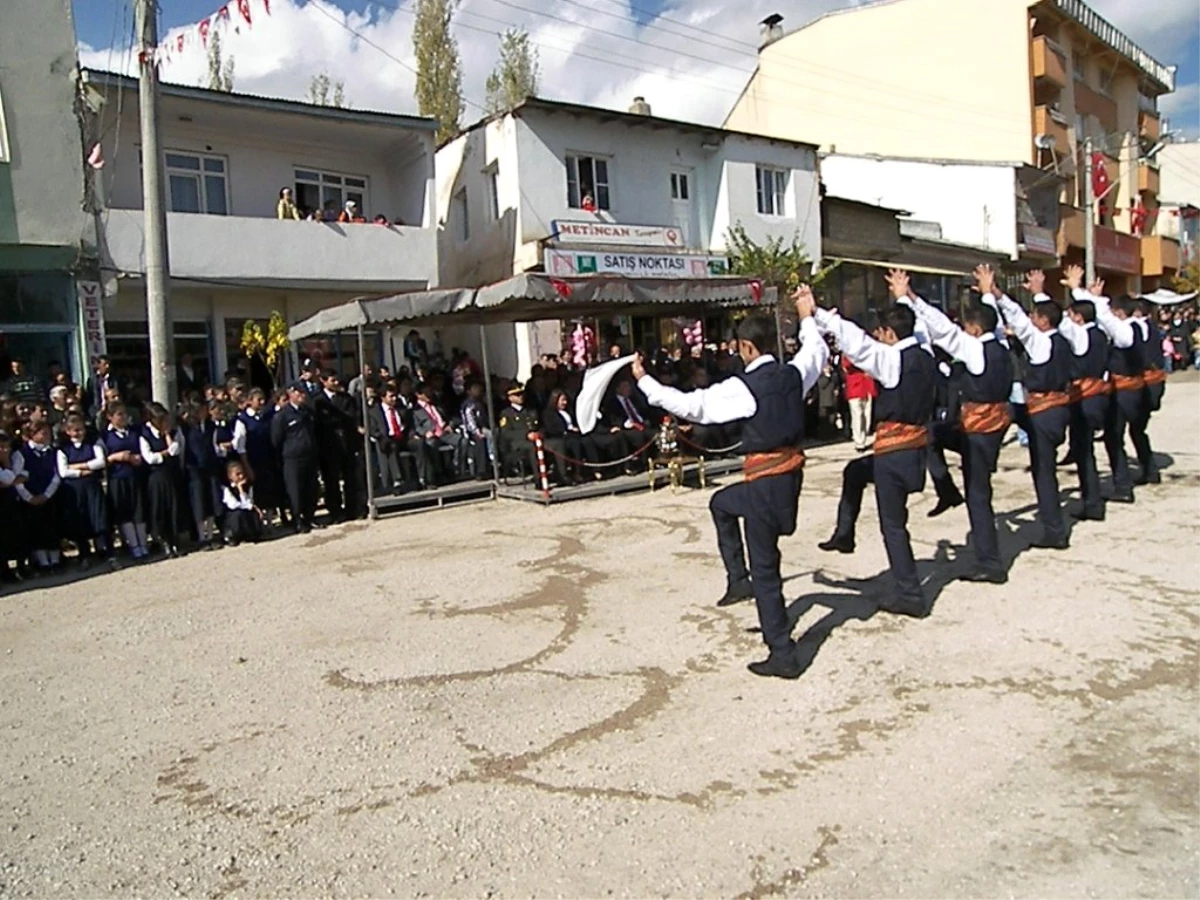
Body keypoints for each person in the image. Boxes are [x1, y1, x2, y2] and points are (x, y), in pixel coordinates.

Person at [634, 300, 827, 679]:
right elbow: (816, 352)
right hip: (789, 478)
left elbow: (694, 406)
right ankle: (738, 581)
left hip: (765, 483)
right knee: (721, 502)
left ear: (747, 347)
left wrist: (644, 380)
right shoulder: (793, 374)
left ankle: (782, 652)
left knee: (767, 567)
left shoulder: (745, 387)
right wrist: (807, 317)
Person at [814, 299, 937, 619]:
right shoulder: (925, 354)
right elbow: (924, 328)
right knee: (855, 471)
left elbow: (857, 342)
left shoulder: (893, 360)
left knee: (893, 526)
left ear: (889, 334)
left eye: (881, 332)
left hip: (895, 452)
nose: (878, 337)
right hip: (914, 449)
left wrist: (816, 314)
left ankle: (910, 594)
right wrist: (903, 295)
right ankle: (844, 534)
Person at [902, 267, 1013, 584]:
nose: (963, 330)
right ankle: (947, 489)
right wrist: (988, 291)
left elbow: (942, 329)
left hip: (980, 428)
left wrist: (911, 298)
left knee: (979, 494)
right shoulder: (1000, 344)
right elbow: (990, 317)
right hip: (993, 424)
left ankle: (990, 563)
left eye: (967, 327)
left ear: (975, 330)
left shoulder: (976, 348)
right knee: (933, 434)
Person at [992, 268, 1072, 549]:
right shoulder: (1064, 337)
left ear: (1044, 321)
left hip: (1045, 411)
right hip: (1057, 409)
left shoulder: (1042, 343)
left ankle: (1054, 530)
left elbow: (1018, 320)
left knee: (1044, 471)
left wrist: (997, 293)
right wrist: (1038, 291)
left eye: (1035, 316)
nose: (1031, 319)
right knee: (1011, 410)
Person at [1033, 267, 1109, 522]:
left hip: (1084, 398)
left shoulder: (1083, 334)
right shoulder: (1100, 332)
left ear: (1078, 317)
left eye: (1072, 313)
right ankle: (1092, 500)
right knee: (1083, 451)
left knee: (1084, 451)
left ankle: (1092, 502)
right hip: (1094, 395)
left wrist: (1041, 294)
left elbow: (1060, 323)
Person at [1072, 280, 1142, 503]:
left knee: (1108, 439)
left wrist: (1086, 295)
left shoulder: (1127, 330)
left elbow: (1109, 325)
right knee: (1114, 438)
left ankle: (1114, 489)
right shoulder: (1108, 332)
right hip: (1114, 390)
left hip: (1118, 392)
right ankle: (1122, 483)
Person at [56, 413, 111, 568]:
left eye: (81, 429)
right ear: (68, 431)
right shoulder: (63, 449)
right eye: (75, 430)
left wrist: (79, 465)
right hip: (75, 490)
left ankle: (106, 551)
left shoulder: (93, 443)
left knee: (99, 519)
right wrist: (81, 471)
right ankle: (84, 554)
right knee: (80, 522)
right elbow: (63, 471)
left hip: (92, 487)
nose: (79, 433)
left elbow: (100, 462)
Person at [101, 402, 149, 560]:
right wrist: (116, 457)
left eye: (124, 413)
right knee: (124, 513)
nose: (123, 417)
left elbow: (144, 451)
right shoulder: (105, 435)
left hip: (134, 476)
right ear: (110, 417)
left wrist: (138, 458)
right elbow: (101, 459)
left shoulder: (134, 431)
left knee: (139, 510)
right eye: (119, 414)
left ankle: (143, 544)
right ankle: (133, 545)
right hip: (117, 478)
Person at [271, 382, 319, 533]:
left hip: (309, 455)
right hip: (292, 458)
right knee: (295, 490)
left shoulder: (307, 412)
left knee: (311, 489)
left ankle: (309, 517)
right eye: (299, 393)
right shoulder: (282, 416)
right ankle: (297, 520)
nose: (302, 396)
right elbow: (276, 439)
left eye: (303, 393)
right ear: (291, 394)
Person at [14, 421, 62, 573]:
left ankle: (55, 561)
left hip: (48, 496)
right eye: (42, 432)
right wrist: (29, 498)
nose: (47, 435)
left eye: (48, 431)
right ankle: (43, 563)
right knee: (36, 531)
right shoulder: (21, 454)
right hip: (30, 499)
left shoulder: (53, 451)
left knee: (52, 528)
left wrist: (46, 495)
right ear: (32, 435)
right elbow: (17, 479)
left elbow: (56, 476)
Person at [233, 388, 284, 527]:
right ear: (250, 401)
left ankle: (269, 521)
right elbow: (240, 446)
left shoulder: (266, 417)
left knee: (269, 491)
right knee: (257, 493)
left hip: (268, 459)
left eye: (263, 399)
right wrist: (247, 466)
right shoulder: (242, 420)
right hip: (253, 461)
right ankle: (258, 523)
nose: (261, 403)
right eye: (258, 400)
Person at [312, 370, 359, 522]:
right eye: (332, 380)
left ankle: (352, 509)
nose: (336, 383)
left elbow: (351, 418)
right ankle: (335, 511)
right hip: (328, 447)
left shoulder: (346, 398)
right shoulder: (317, 401)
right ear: (324, 381)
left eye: (337, 379)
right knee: (331, 481)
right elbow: (319, 423)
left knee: (350, 479)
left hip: (346, 444)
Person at [140, 402, 185, 558]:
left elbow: (175, 451)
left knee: (174, 508)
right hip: (156, 477)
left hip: (171, 474)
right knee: (160, 510)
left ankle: (175, 540)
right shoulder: (145, 434)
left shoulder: (173, 432)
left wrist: (166, 436)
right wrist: (164, 453)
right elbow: (150, 458)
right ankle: (163, 540)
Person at [180, 401, 222, 550]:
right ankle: (201, 536)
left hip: (210, 467)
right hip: (194, 469)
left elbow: (214, 444)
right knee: (198, 503)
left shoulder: (211, 426)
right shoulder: (187, 428)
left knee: (212, 500)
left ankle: (210, 535)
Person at [1131, 299, 1164, 485]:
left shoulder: (1139, 326)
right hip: (1153, 382)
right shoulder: (1151, 326)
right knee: (1138, 430)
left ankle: (1149, 469)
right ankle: (1149, 468)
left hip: (1146, 383)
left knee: (1137, 429)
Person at [541, 388, 600, 484]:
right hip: (561, 437)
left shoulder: (568, 411)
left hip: (573, 435)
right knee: (575, 444)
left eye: (565, 400)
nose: (564, 403)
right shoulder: (549, 413)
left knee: (588, 441)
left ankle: (595, 469)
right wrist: (568, 430)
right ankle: (577, 472)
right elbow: (551, 429)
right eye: (562, 400)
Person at [413, 382, 464, 485]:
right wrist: (425, 433)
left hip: (444, 431)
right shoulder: (415, 410)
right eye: (426, 392)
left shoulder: (436, 404)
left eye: (430, 391)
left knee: (462, 441)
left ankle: (454, 467)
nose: (429, 394)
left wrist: (450, 425)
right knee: (431, 445)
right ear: (419, 394)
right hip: (431, 435)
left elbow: (449, 417)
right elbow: (416, 427)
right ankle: (437, 473)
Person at [496, 383, 538, 478]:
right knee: (533, 447)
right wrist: (526, 434)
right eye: (517, 395)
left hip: (535, 438)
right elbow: (506, 433)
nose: (521, 397)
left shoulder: (530, 411)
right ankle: (538, 478)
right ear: (510, 398)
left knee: (556, 443)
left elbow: (538, 425)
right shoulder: (506, 413)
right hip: (517, 444)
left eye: (522, 394)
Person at [221, 461, 263, 545]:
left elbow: (249, 502)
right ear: (230, 476)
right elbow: (233, 505)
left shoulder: (248, 486)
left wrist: (242, 491)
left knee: (252, 513)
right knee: (238, 513)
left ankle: (251, 535)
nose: (241, 476)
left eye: (242, 473)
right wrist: (240, 490)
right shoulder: (226, 488)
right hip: (233, 515)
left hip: (244, 511)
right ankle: (233, 536)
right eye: (237, 474)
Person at [842, 354, 877, 452]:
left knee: (867, 415)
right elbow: (847, 366)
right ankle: (859, 442)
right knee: (857, 415)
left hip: (867, 386)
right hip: (855, 388)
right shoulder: (848, 353)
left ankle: (863, 436)